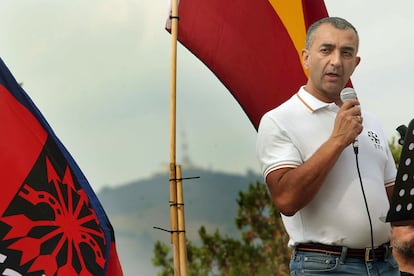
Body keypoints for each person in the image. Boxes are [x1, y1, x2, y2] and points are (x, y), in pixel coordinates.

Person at [256, 17, 399, 274]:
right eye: (326, 50)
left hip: (385, 263)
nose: (336, 61)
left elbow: (395, 200)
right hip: (325, 266)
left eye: (346, 53)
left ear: (355, 64)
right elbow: (287, 199)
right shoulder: (279, 120)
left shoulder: (371, 121)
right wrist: (337, 140)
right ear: (306, 58)